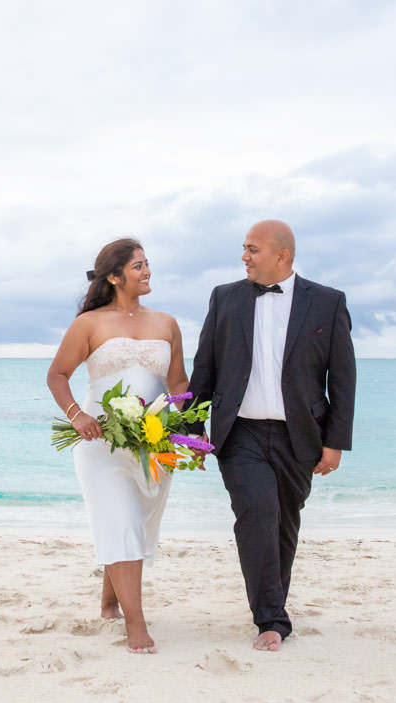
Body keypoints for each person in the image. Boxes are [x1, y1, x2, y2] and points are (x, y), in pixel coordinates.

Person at [187, 220, 356, 651]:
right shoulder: (224, 299)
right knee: (257, 517)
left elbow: (343, 378)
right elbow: (204, 367)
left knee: (284, 525)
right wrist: (192, 431)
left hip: (300, 437)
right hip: (239, 434)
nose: (244, 256)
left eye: (252, 249)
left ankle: (271, 605)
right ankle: (271, 619)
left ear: (282, 256)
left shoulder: (328, 302)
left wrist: (334, 442)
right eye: (244, 248)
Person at [46, 238, 191, 654]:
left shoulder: (166, 323)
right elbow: (58, 374)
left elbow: (178, 384)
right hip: (100, 443)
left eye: (148, 264)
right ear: (113, 276)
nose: (147, 272)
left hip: (154, 442)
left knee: (139, 523)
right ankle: (136, 624)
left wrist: (189, 430)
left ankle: (110, 598)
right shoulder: (89, 324)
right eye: (138, 266)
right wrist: (77, 414)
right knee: (120, 521)